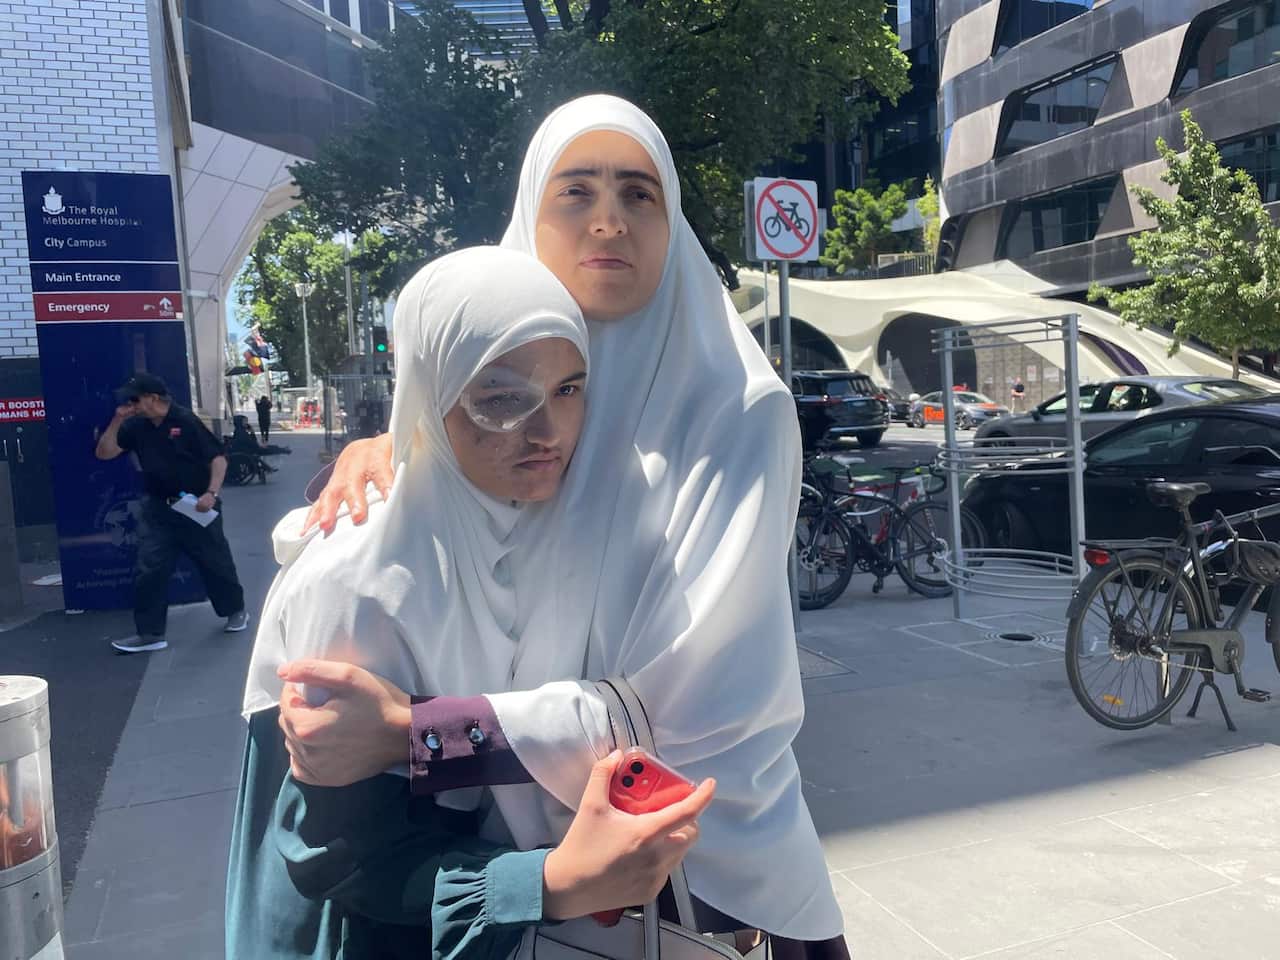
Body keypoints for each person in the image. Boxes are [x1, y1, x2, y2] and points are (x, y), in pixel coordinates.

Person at [282, 96, 846, 953]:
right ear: (530, 216)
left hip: (693, 884)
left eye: (640, 194)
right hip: (523, 871)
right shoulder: (484, 408)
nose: (609, 220)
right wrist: (406, 439)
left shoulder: (732, 411)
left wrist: (415, 734)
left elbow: (687, 710)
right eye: (576, 191)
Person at [228, 247, 714, 959]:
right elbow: (334, 857)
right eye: (503, 398)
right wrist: (550, 883)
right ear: (431, 395)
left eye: (569, 389)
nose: (548, 432)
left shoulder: (540, 525)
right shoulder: (361, 577)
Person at [94, 372, 248, 653]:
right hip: (158, 509)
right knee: (150, 569)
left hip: (196, 506)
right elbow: (105, 452)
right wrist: (117, 420)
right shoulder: (136, 427)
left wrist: (211, 493)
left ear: (153, 398)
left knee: (215, 563)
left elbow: (218, 458)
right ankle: (150, 633)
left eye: (135, 400)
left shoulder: (185, 421)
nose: (131, 405)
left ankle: (235, 610)